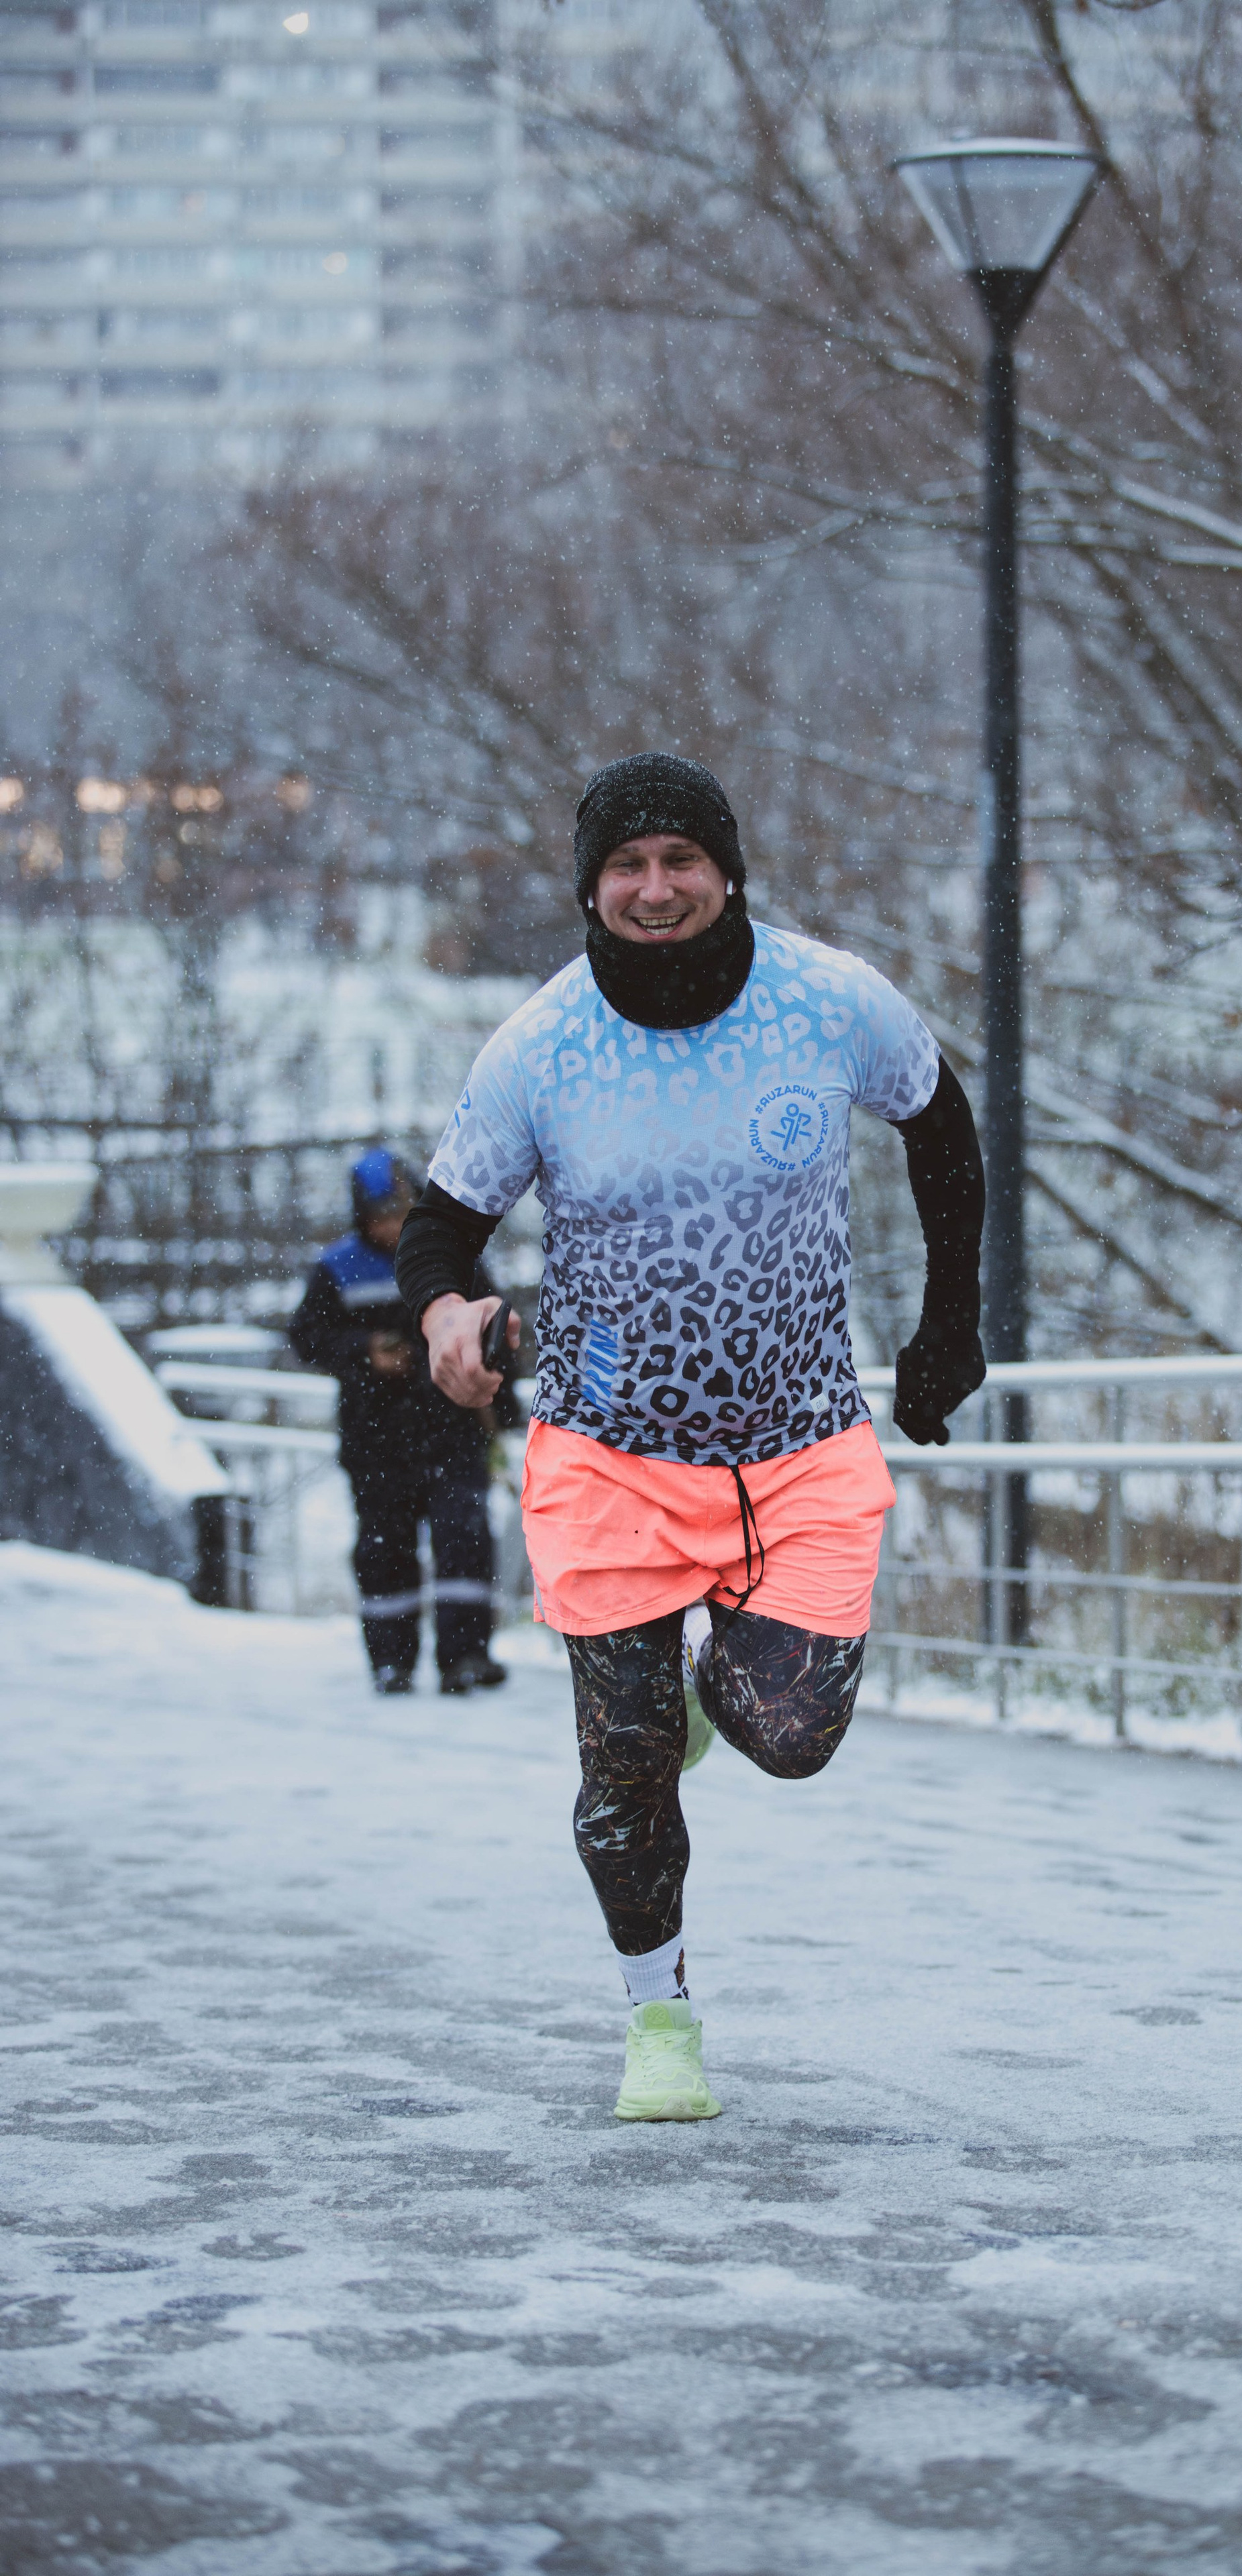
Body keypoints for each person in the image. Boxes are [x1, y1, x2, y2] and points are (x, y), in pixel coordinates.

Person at [396, 752, 985, 2121]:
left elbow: (941, 1130)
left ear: (727, 871)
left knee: (788, 1734)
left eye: (679, 860)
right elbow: (441, 1226)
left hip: (797, 1443)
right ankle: (656, 2022)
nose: (654, 888)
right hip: (605, 1450)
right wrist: (441, 1316)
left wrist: (946, 1325)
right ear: (590, 887)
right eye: (625, 866)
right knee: (621, 1760)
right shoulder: (538, 1049)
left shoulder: (829, 1001)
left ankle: (698, 1713)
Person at [289, 1146, 515, 1698]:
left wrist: (503, 1413)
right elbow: (306, 1337)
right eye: (380, 1216)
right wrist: (367, 1352)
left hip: (454, 1430)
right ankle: (392, 1661)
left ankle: (465, 1656)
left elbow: (497, 1329)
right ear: (362, 1217)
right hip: (377, 1441)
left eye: (400, 1212)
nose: (391, 1226)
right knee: (384, 1548)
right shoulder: (338, 1269)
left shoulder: (452, 1258)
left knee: (463, 1539)